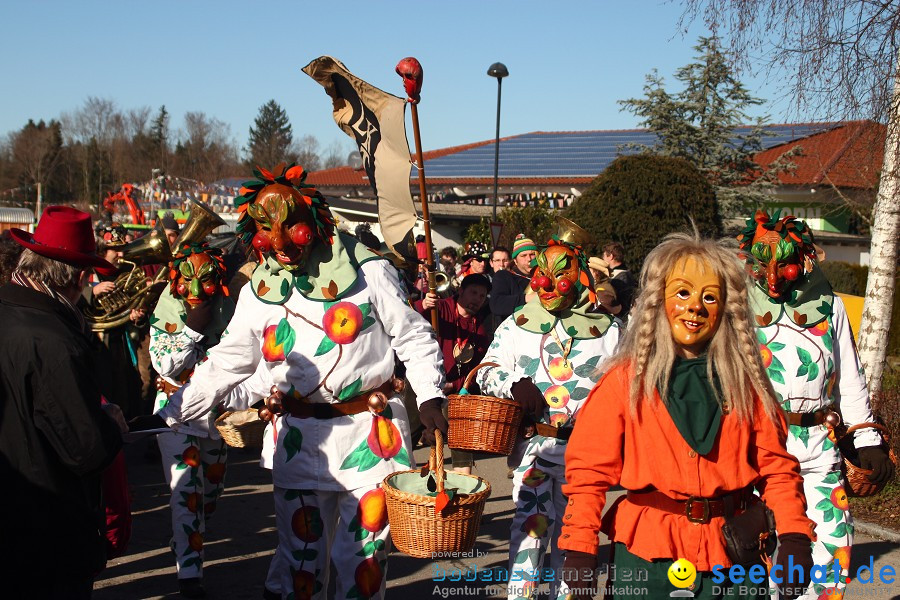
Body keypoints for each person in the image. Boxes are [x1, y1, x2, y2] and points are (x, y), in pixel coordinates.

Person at [143, 163, 447, 600]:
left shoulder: (370, 272)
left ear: (315, 221)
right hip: (300, 444)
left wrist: (430, 395)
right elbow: (228, 361)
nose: (280, 244)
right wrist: (170, 413)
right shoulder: (257, 290)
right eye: (266, 231)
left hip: (371, 439)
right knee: (302, 566)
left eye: (291, 228)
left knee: (360, 563)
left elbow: (412, 334)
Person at [559, 231, 815, 600]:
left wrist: (794, 536)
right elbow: (588, 473)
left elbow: (776, 467)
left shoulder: (749, 385)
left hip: (734, 556)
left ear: (726, 308)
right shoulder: (624, 382)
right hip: (648, 557)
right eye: (682, 293)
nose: (695, 307)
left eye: (709, 297)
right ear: (658, 301)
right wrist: (580, 547)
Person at [736, 210, 894, 599]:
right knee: (762, 553)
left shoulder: (831, 307)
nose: (771, 277)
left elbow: (851, 379)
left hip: (820, 447)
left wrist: (866, 437)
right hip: (760, 449)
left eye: (785, 264)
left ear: (805, 258)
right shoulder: (738, 310)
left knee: (830, 549)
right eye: (761, 264)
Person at [476, 226, 621, 600]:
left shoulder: (610, 331)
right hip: (534, 453)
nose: (548, 284)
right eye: (542, 273)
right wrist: (513, 384)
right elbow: (486, 369)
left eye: (560, 275)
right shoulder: (517, 324)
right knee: (528, 541)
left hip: (584, 460)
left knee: (572, 550)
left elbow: (632, 385)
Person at [0, 206, 126, 599]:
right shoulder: (55, 341)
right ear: (75, 277)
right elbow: (85, 449)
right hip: (44, 531)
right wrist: (110, 422)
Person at [148, 240, 237, 598]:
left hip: (215, 417)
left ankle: (186, 541)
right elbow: (165, 363)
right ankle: (189, 574)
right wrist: (191, 329)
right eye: (188, 280)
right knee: (187, 496)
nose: (196, 290)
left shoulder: (229, 307)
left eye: (207, 279)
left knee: (210, 493)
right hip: (175, 414)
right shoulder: (166, 305)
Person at [416, 273, 493, 474]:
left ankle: (463, 477)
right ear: (461, 291)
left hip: (454, 390)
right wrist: (423, 306)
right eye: (473, 292)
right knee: (404, 432)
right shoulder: (438, 309)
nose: (477, 299)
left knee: (461, 420)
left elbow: (477, 369)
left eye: (482, 296)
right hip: (423, 383)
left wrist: (456, 385)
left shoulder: (480, 330)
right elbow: (408, 319)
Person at [489, 234, 538, 328]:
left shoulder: (543, 276)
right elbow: (496, 304)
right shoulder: (503, 276)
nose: (529, 259)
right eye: (523, 255)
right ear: (515, 261)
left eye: (532, 254)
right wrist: (527, 298)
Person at [602, 241, 637, 319]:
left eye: (604, 256)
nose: (603, 259)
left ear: (610, 256)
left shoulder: (620, 277)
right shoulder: (626, 274)